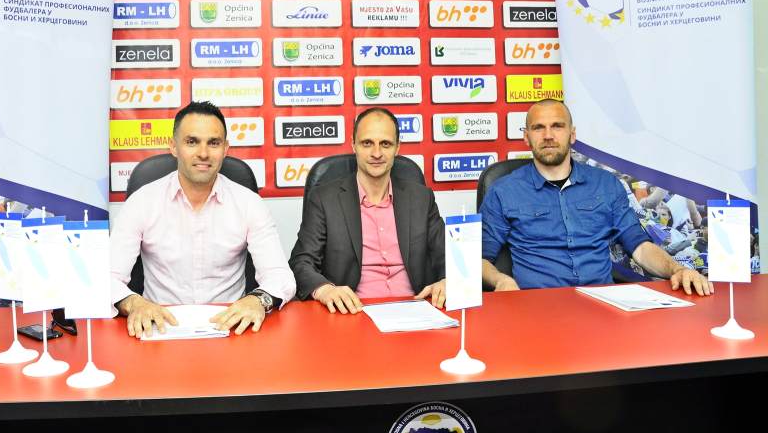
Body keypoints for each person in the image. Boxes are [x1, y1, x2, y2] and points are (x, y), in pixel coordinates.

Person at [481, 99, 712, 296]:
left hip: (602, 304)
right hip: (537, 306)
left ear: (572, 135)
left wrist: (678, 270)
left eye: (557, 126)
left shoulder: (607, 185)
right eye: (538, 128)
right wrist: (501, 280)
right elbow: (479, 259)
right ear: (526, 137)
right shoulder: (504, 191)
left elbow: (640, 247)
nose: (548, 135)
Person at [110, 101, 296, 337]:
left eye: (214, 143)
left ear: (225, 148)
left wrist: (258, 300)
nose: (204, 153)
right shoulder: (142, 202)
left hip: (230, 328)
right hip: (160, 328)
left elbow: (280, 276)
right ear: (173, 146)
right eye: (192, 142)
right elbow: (108, 278)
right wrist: (134, 303)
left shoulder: (249, 203)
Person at [290, 107, 446, 314]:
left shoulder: (421, 198)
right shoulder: (324, 199)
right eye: (367, 143)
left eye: (385, 144)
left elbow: (448, 256)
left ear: (397, 147)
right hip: (352, 313)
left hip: (418, 312)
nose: (376, 153)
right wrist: (324, 289)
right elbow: (301, 262)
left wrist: (448, 280)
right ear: (353, 144)